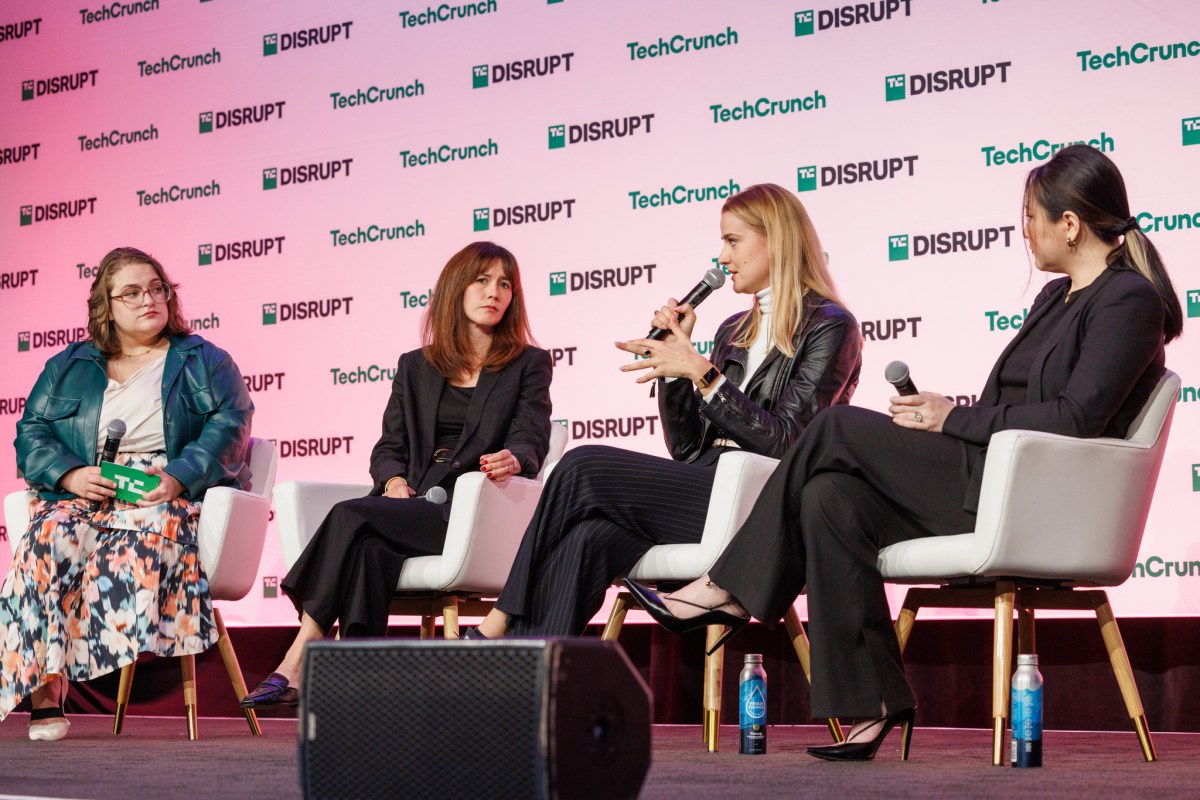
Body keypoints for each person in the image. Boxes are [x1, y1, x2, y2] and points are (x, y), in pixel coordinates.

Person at [626, 145, 1183, 761]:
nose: (1025, 232)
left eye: (1031, 217)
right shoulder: (1057, 298)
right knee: (827, 496)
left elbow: (1078, 418)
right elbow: (1017, 404)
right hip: (989, 477)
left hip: (1034, 498)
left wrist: (955, 418)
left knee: (833, 428)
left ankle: (726, 586)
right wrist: (936, 419)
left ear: (1070, 224)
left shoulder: (1129, 300)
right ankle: (873, 703)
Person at [467, 183, 862, 641]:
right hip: (705, 488)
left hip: (763, 505)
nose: (722, 258)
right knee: (586, 539)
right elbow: (688, 449)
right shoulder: (734, 329)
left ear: (774, 239)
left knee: (580, 465)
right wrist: (678, 367)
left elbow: (790, 441)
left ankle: (498, 619)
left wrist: (706, 375)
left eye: (732, 241)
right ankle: (527, 687)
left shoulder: (831, 326)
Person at [241, 241, 552, 708]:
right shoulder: (416, 366)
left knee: (349, 517)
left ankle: (300, 653)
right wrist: (392, 482)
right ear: (455, 288)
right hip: (412, 505)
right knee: (368, 552)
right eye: (482, 280)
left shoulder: (528, 363)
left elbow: (532, 435)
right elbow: (390, 446)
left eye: (505, 284)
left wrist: (515, 458)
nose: (495, 292)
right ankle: (361, 690)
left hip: (474, 513)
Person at [0, 246, 254, 740]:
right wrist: (70, 475)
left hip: (165, 492)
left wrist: (177, 477)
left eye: (157, 289)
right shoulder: (69, 364)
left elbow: (231, 424)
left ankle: (80, 663)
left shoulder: (205, 359)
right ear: (106, 305)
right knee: (44, 543)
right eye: (132, 292)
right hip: (88, 485)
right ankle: (45, 690)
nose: (148, 300)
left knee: (135, 542)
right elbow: (31, 433)